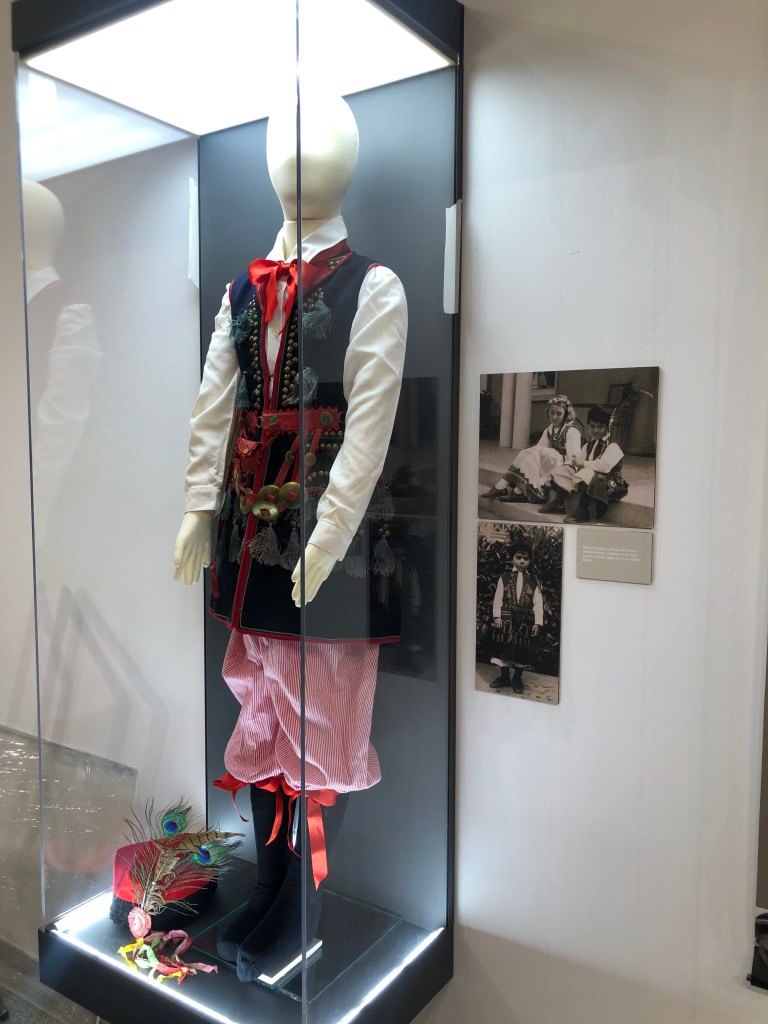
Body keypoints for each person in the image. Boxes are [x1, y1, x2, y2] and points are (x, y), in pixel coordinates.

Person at [172, 93, 407, 982]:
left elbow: (371, 430)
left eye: (320, 149)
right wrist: (198, 507)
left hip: (329, 558)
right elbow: (212, 407)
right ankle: (269, 886)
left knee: (320, 731)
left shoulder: (372, 285)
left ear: (348, 162)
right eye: (288, 149)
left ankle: (302, 905)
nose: (301, 164)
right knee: (263, 712)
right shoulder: (241, 285)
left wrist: (329, 538)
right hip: (248, 548)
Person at [482, 394, 581, 506]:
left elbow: (574, 458)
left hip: (564, 466)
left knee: (534, 452)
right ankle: (513, 490)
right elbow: (537, 449)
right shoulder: (550, 429)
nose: (554, 417)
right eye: (551, 413)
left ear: (566, 414)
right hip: (551, 462)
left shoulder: (571, 431)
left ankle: (502, 487)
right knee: (527, 452)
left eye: (559, 414)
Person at [551, 404, 628, 523]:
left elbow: (604, 467)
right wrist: (573, 463)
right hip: (593, 478)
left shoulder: (613, 445)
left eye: (600, 427)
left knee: (586, 472)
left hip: (610, 483)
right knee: (563, 469)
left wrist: (582, 464)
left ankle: (583, 510)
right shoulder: (589, 445)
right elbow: (579, 463)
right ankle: (559, 502)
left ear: (608, 427)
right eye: (592, 426)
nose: (595, 430)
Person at [489, 539, 543, 694]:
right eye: (519, 557)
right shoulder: (504, 577)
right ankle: (504, 677)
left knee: (522, 652)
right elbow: (498, 597)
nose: (522, 561)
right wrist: (497, 617)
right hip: (506, 620)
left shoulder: (534, 581)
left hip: (524, 622)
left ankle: (517, 678)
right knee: (504, 650)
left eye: (526, 558)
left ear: (530, 561)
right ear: (513, 558)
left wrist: (537, 623)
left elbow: (538, 603)